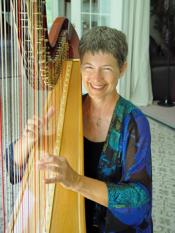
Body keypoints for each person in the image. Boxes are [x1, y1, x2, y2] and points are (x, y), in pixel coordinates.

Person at [6, 26, 153, 233]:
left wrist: (76, 181)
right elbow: (12, 169)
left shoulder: (134, 122)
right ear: (79, 66)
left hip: (110, 226)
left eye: (107, 69)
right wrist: (27, 141)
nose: (96, 78)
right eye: (89, 67)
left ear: (123, 68)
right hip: (68, 210)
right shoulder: (66, 107)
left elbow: (139, 201)